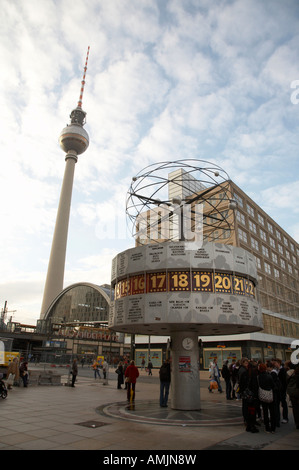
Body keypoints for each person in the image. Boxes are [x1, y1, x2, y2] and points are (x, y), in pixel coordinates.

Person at [257, 363, 276, 433]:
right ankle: (273, 427)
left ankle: (267, 427)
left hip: (263, 395)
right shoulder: (269, 376)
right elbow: (273, 386)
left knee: (265, 411)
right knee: (272, 411)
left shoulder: (259, 377)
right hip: (270, 394)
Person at [286, 363, 299, 430]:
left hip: (292, 393)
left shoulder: (291, 374)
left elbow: (287, 382)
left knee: (295, 408)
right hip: (296, 392)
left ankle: (297, 423)